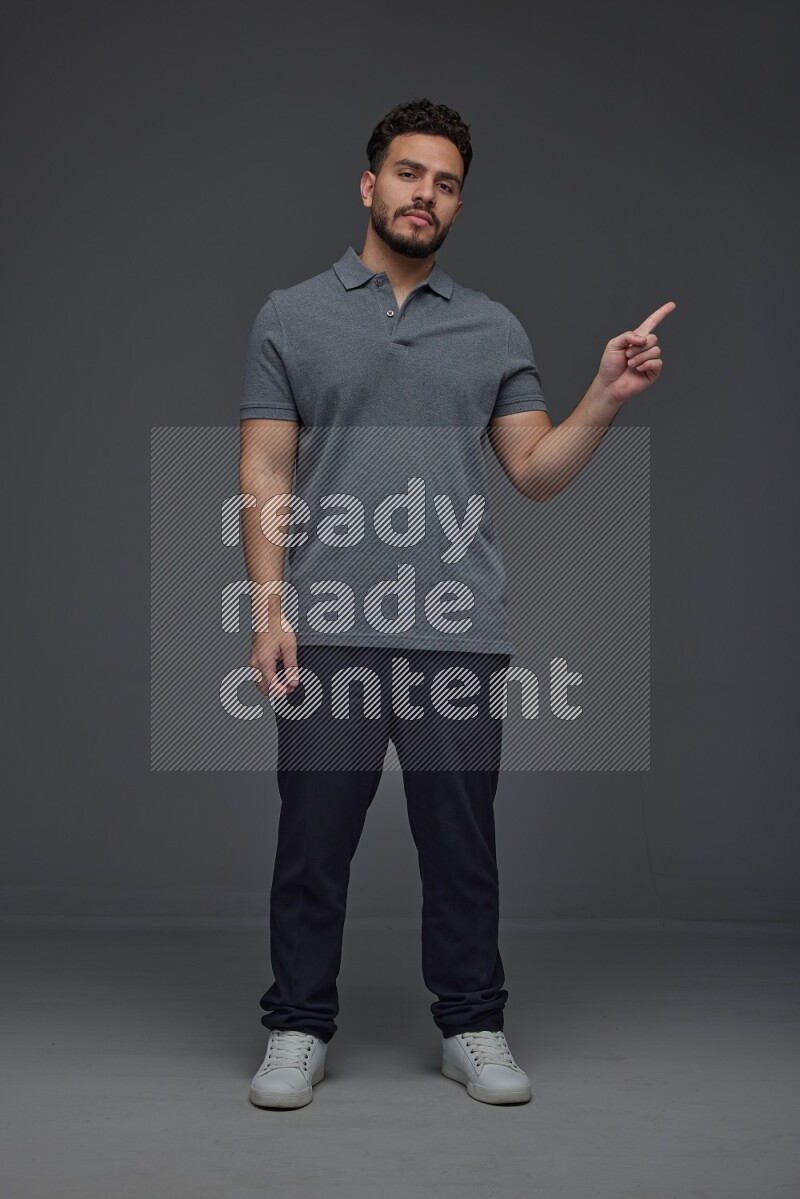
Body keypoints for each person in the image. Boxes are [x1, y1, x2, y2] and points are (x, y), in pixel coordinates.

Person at [239, 97, 675, 1109]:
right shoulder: (289, 316)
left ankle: (471, 1021)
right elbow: (263, 473)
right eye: (406, 174)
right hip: (330, 631)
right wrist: (268, 609)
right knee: (309, 841)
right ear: (369, 185)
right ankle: (296, 1026)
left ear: (455, 202)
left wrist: (602, 395)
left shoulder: (492, 327)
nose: (422, 194)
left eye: (442, 183)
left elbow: (531, 468)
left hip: (454, 632)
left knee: (458, 841)